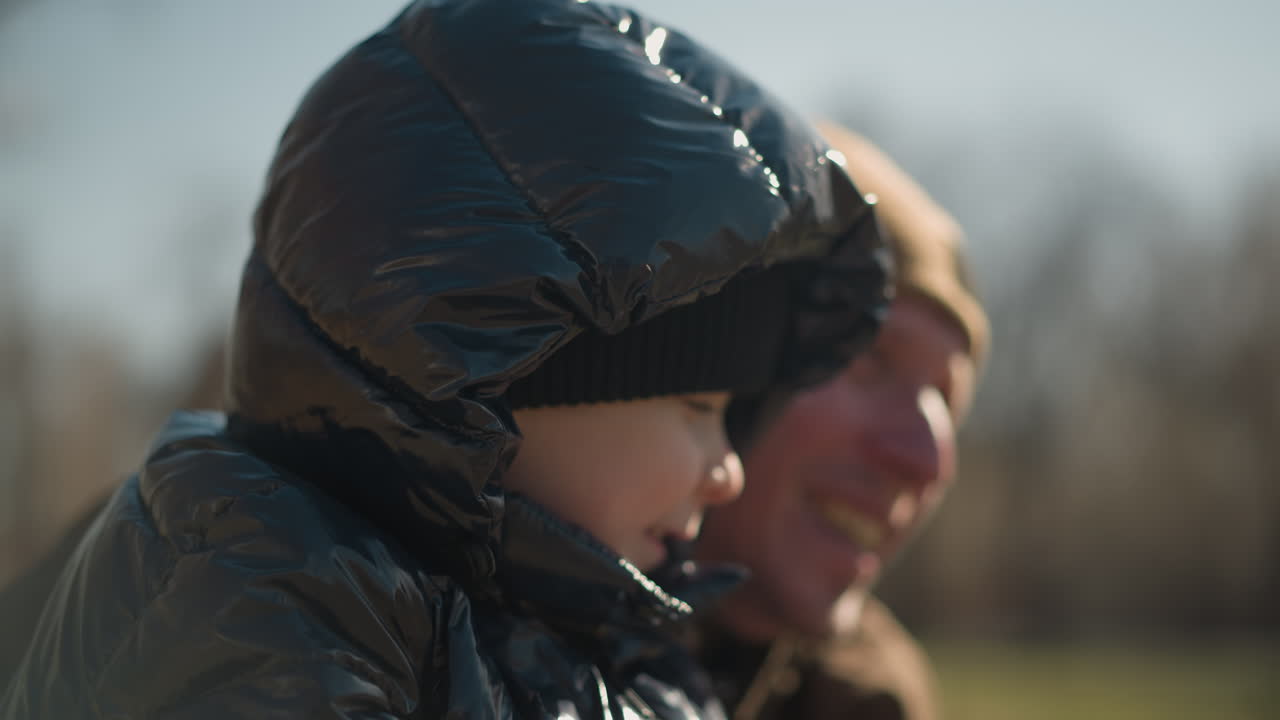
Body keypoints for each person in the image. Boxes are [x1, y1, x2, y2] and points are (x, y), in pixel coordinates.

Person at [0, 1, 888, 718]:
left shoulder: (608, 638)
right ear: (512, 373)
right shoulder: (269, 598)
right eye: (697, 406)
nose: (729, 470)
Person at [689, 120, 989, 720]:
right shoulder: (471, 653)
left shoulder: (872, 702)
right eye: (868, 359)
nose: (923, 461)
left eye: (946, 404)